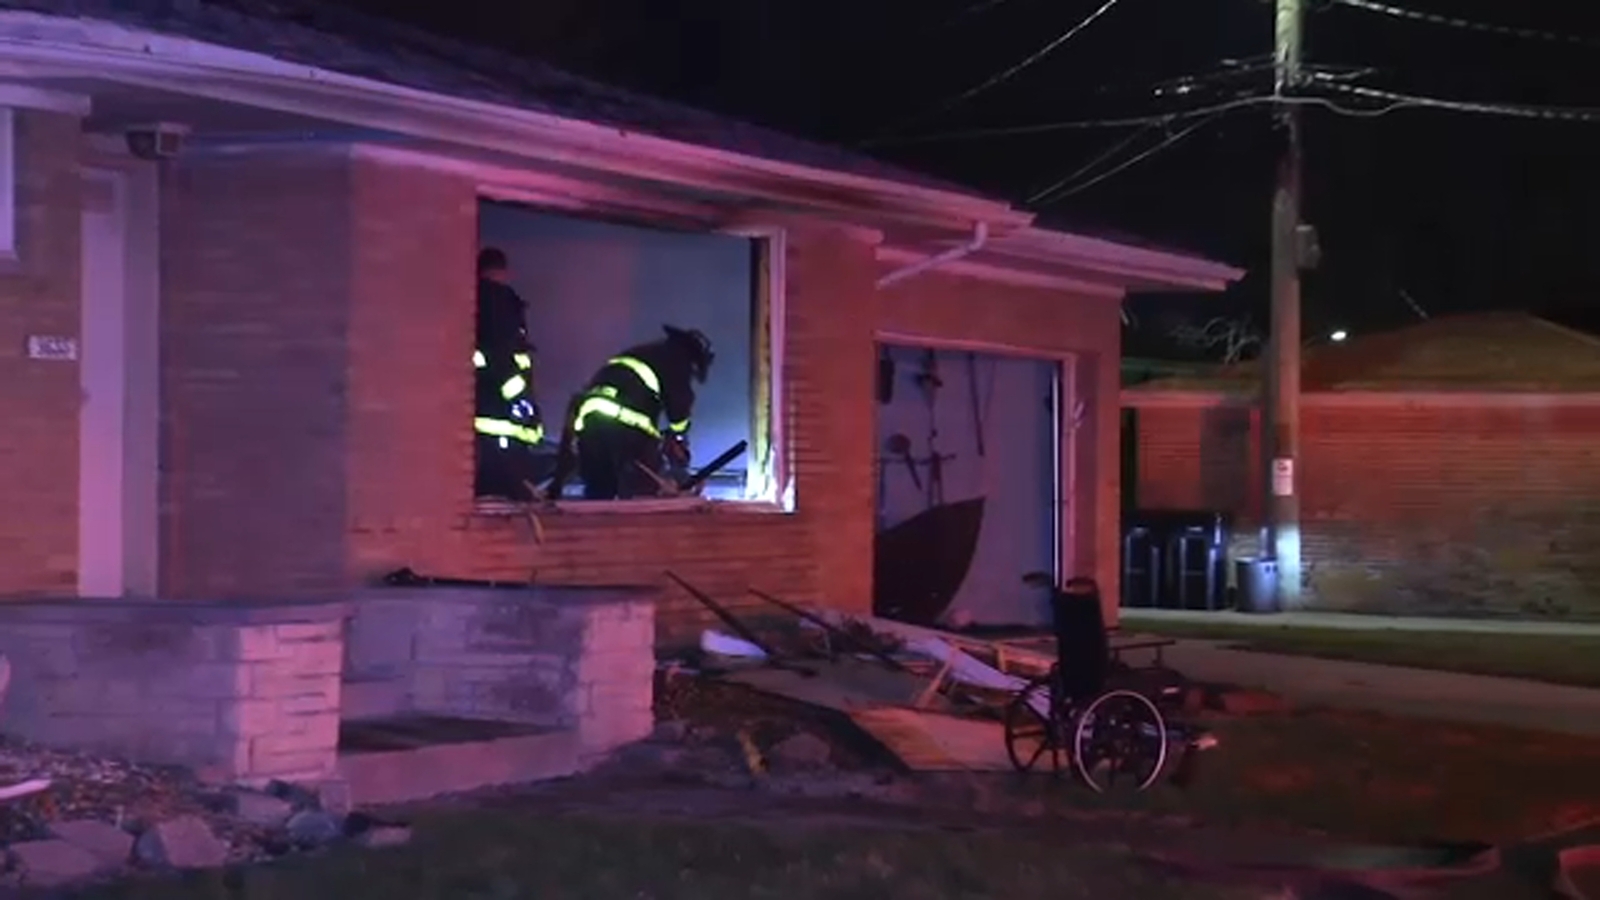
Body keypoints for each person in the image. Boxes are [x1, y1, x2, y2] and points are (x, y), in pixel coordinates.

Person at [551, 325, 714, 500]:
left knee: (599, 489)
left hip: (589, 421)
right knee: (642, 491)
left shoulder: (641, 354)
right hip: (626, 428)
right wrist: (679, 436)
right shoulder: (677, 359)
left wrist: (558, 480)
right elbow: (679, 408)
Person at [472, 247, 545, 500]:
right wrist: (520, 401)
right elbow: (501, 356)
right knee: (506, 489)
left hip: (485, 411)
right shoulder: (498, 301)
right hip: (502, 415)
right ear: (501, 272)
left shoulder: (475, 301)